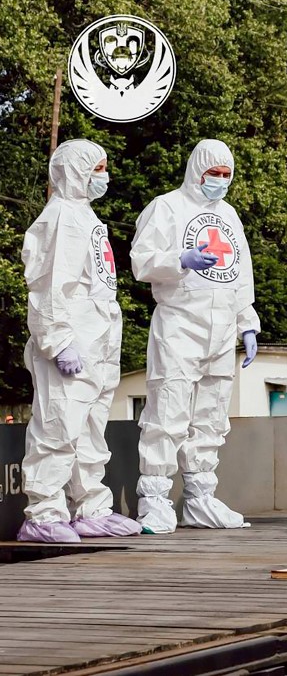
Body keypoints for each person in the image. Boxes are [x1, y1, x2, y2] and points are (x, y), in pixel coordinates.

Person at [131, 139, 260, 534]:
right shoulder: (166, 207)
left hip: (221, 331)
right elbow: (141, 260)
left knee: (211, 415)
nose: (220, 181)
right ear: (196, 170)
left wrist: (247, 321)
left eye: (226, 175)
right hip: (180, 325)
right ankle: (154, 500)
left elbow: (240, 273)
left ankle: (200, 499)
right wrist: (178, 261)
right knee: (168, 412)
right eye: (213, 174)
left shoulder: (230, 216)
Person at [18, 139, 142, 543]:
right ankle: (43, 513)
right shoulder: (59, 219)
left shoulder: (85, 216)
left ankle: (90, 508)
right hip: (72, 342)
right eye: (98, 168)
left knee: (90, 431)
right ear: (76, 170)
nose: (104, 176)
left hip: (98, 343)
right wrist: (57, 341)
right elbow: (49, 285)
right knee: (57, 426)